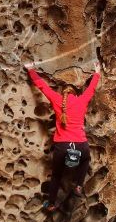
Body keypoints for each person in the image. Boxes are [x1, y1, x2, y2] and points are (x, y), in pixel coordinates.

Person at [24, 61, 101, 213]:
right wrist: (97, 72)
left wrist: (31, 69)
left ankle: (51, 203)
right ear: (74, 93)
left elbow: (42, 86)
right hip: (80, 144)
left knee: (57, 175)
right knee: (86, 160)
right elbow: (91, 89)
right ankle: (78, 185)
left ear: (63, 93)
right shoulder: (81, 100)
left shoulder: (57, 99)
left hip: (62, 146)